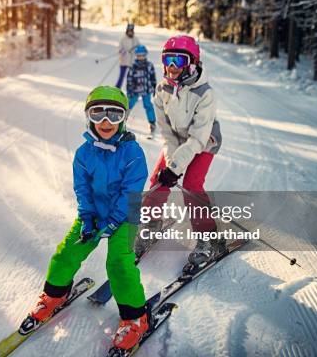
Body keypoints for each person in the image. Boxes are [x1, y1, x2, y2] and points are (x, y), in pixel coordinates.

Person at [24, 86, 149, 350]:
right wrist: (88, 216)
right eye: (98, 114)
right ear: (88, 117)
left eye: (114, 115)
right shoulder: (84, 153)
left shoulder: (133, 153)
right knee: (67, 252)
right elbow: (82, 188)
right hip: (94, 214)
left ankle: (135, 317)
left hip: (124, 217)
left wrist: (115, 222)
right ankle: (54, 295)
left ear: (124, 118)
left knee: (118, 264)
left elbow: (131, 192)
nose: (106, 122)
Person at [150, 35, 224, 274]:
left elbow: (197, 139)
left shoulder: (205, 93)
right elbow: (167, 133)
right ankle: (152, 223)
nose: (171, 67)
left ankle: (209, 239)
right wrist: (171, 166)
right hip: (178, 140)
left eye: (178, 61)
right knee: (158, 179)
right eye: (167, 60)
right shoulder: (162, 89)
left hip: (203, 142)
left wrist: (178, 167)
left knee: (192, 185)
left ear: (192, 63)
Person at [126, 44, 157, 136]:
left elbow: (152, 77)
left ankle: (152, 122)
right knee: (129, 104)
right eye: (139, 56)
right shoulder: (133, 66)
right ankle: (122, 121)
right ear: (136, 56)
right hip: (135, 90)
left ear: (145, 55)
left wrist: (154, 87)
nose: (141, 57)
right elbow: (129, 78)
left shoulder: (149, 65)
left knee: (148, 105)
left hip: (146, 89)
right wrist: (129, 90)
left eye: (143, 55)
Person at [115, 23, 140, 89]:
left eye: (131, 31)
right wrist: (122, 51)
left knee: (132, 77)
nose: (130, 32)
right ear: (127, 31)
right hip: (124, 61)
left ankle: (133, 89)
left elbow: (139, 48)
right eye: (129, 31)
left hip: (132, 62)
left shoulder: (135, 39)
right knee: (121, 76)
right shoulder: (123, 39)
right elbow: (119, 48)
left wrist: (135, 50)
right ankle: (117, 89)